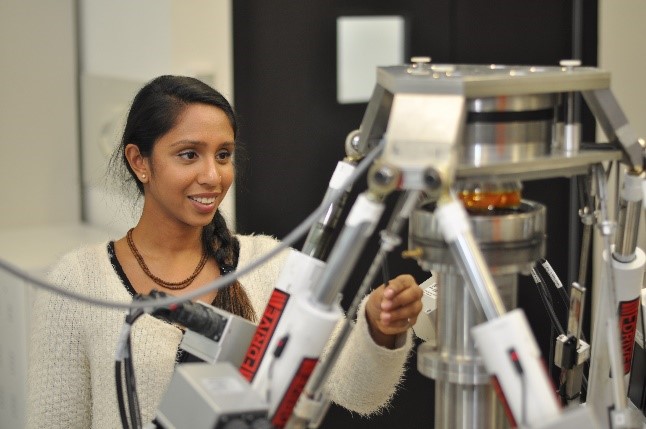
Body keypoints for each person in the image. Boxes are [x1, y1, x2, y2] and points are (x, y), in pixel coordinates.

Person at [26, 75, 423, 428]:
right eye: (188, 154)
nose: (213, 177)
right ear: (139, 161)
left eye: (223, 155)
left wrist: (379, 328)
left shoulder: (270, 266)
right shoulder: (77, 283)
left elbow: (358, 391)